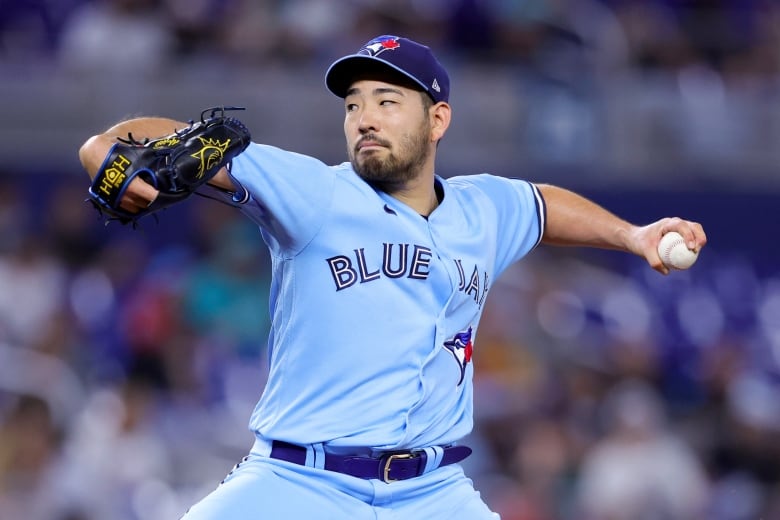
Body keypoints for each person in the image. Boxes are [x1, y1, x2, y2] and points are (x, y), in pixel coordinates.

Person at [78, 35, 707, 519]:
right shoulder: (315, 194)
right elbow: (142, 140)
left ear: (438, 120)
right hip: (300, 483)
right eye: (353, 104)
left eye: (387, 100)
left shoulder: (482, 208)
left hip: (433, 491)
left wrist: (632, 235)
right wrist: (106, 149)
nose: (364, 118)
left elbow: (541, 207)